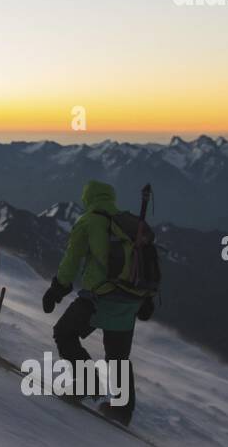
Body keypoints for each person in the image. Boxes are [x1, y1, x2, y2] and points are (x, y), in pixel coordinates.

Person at [41, 179, 154, 423]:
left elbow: (72, 260)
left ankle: (85, 384)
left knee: (64, 333)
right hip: (131, 301)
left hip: (99, 297)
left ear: (87, 198)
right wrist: (147, 300)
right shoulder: (131, 224)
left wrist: (57, 290)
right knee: (118, 357)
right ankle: (123, 410)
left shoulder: (89, 221)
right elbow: (146, 263)